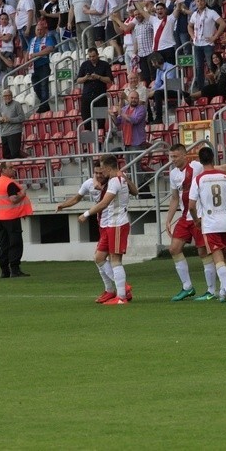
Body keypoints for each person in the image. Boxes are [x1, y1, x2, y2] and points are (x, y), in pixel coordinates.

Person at [188, 146, 226, 304]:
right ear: (213, 159)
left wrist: (196, 220)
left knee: (217, 258)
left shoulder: (198, 179)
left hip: (211, 223)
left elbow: (191, 205)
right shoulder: (225, 176)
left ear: (199, 160)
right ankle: (223, 291)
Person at [77, 154, 133, 305]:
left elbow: (104, 203)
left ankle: (121, 297)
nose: (102, 171)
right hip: (110, 225)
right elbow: (135, 191)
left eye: (103, 168)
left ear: (108, 167)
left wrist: (86, 214)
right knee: (99, 258)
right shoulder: (120, 178)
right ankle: (122, 289)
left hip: (117, 224)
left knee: (115, 259)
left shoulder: (115, 181)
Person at [165, 143, 218, 301]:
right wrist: (168, 220)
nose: (172, 159)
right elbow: (175, 198)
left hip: (200, 216)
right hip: (185, 217)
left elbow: (215, 169)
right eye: (171, 156)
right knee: (174, 249)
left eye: (175, 156)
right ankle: (187, 287)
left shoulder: (196, 167)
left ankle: (211, 290)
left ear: (184, 155)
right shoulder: (173, 174)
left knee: (203, 252)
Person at [0, 161, 34, 278]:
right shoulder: (9, 183)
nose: (13, 169)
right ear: (3, 170)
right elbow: (13, 199)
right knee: (15, 243)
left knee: (4, 244)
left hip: (1, 217)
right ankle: (15, 270)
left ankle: (4, 270)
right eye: (11, 167)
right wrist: (23, 194)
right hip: (11, 217)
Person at [188, 0, 226, 91]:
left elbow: (223, 23)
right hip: (197, 44)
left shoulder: (211, 12)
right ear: (195, 3)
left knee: (211, 65)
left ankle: (216, 86)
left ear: (205, 2)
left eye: (201, 1)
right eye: (197, 1)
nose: (199, 3)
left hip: (208, 43)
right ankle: (201, 89)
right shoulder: (194, 14)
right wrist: (193, 36)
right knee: (198, 67)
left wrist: (215, 37)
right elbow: (189, 26)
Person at [76, 47, 114, 131]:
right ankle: (90, 143)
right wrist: (86, 78)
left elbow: (109, 80)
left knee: (100, 123)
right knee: (87, 122)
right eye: (90, 57)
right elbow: (78, 80)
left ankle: (101, 141)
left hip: (100, 97)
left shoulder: (105, 64)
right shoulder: (84, 64)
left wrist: (98, 77)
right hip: (87, 97)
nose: (92, 58)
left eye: (93, 56)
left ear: (98, 55)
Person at [27, 22, 56, 113]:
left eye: (41, 30)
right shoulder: (32, 40)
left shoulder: (48, 38)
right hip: (33, 67)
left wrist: (36, 55)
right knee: (36, 87)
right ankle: (45, 105)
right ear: (35, 31)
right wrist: (26, 62)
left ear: (44, 31)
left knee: (44, 86)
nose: (39, 31)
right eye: (37, 30)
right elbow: (28, 52)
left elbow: (50, 49)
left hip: (43, 65)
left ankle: (43, 105)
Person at [0, 89, 25, 159]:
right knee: (6, 156)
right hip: (4, 133)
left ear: (12, 96)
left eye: (9, 95)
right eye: (5, 96)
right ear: (2, 97)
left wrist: (10, 120)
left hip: (15, 132)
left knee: (14, 154)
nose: (7, 97)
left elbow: (22, 118)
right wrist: (0, 120)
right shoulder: (1, 106)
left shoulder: (17, 104)